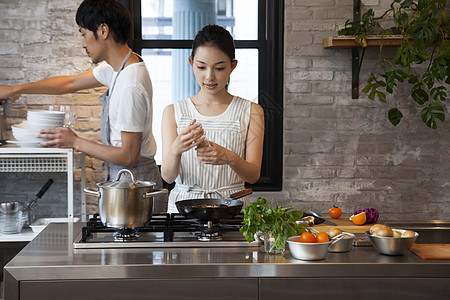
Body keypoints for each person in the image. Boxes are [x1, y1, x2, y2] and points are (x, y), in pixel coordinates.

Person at [0, 0, 165, 210]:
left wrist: (75, 142)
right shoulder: (119, 68)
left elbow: (128, 156)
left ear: (103, 30)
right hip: (126, 182)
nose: (83, 44)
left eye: (83, 33)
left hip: (136, 184)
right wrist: (16, 90)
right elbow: (69, 83)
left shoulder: (129, 85)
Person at [161, 24, 265, 213]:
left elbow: (253, 175)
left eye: (219, 68)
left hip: (232, 208)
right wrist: (176, 149)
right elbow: (168, 177)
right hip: (183, 210)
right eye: (201, 67)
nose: (209, 77)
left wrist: (229, 157)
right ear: (191, 63)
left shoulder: (251, 110)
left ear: (233, 66)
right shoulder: (173, 112)